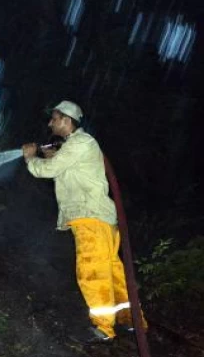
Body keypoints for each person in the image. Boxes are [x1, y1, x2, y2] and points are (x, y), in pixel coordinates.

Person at [22, 100, 137, 342]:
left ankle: (103, 328)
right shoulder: (76, 147)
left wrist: (31, 158)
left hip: (90, 218)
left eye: (54, 118)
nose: (50, 122)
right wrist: (53, 156)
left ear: (66, 120)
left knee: (92, 271)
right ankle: (130, 319)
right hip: (99, 217)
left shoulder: (81, 142)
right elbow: (65, 172)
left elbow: (48, 170)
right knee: (112, 271)